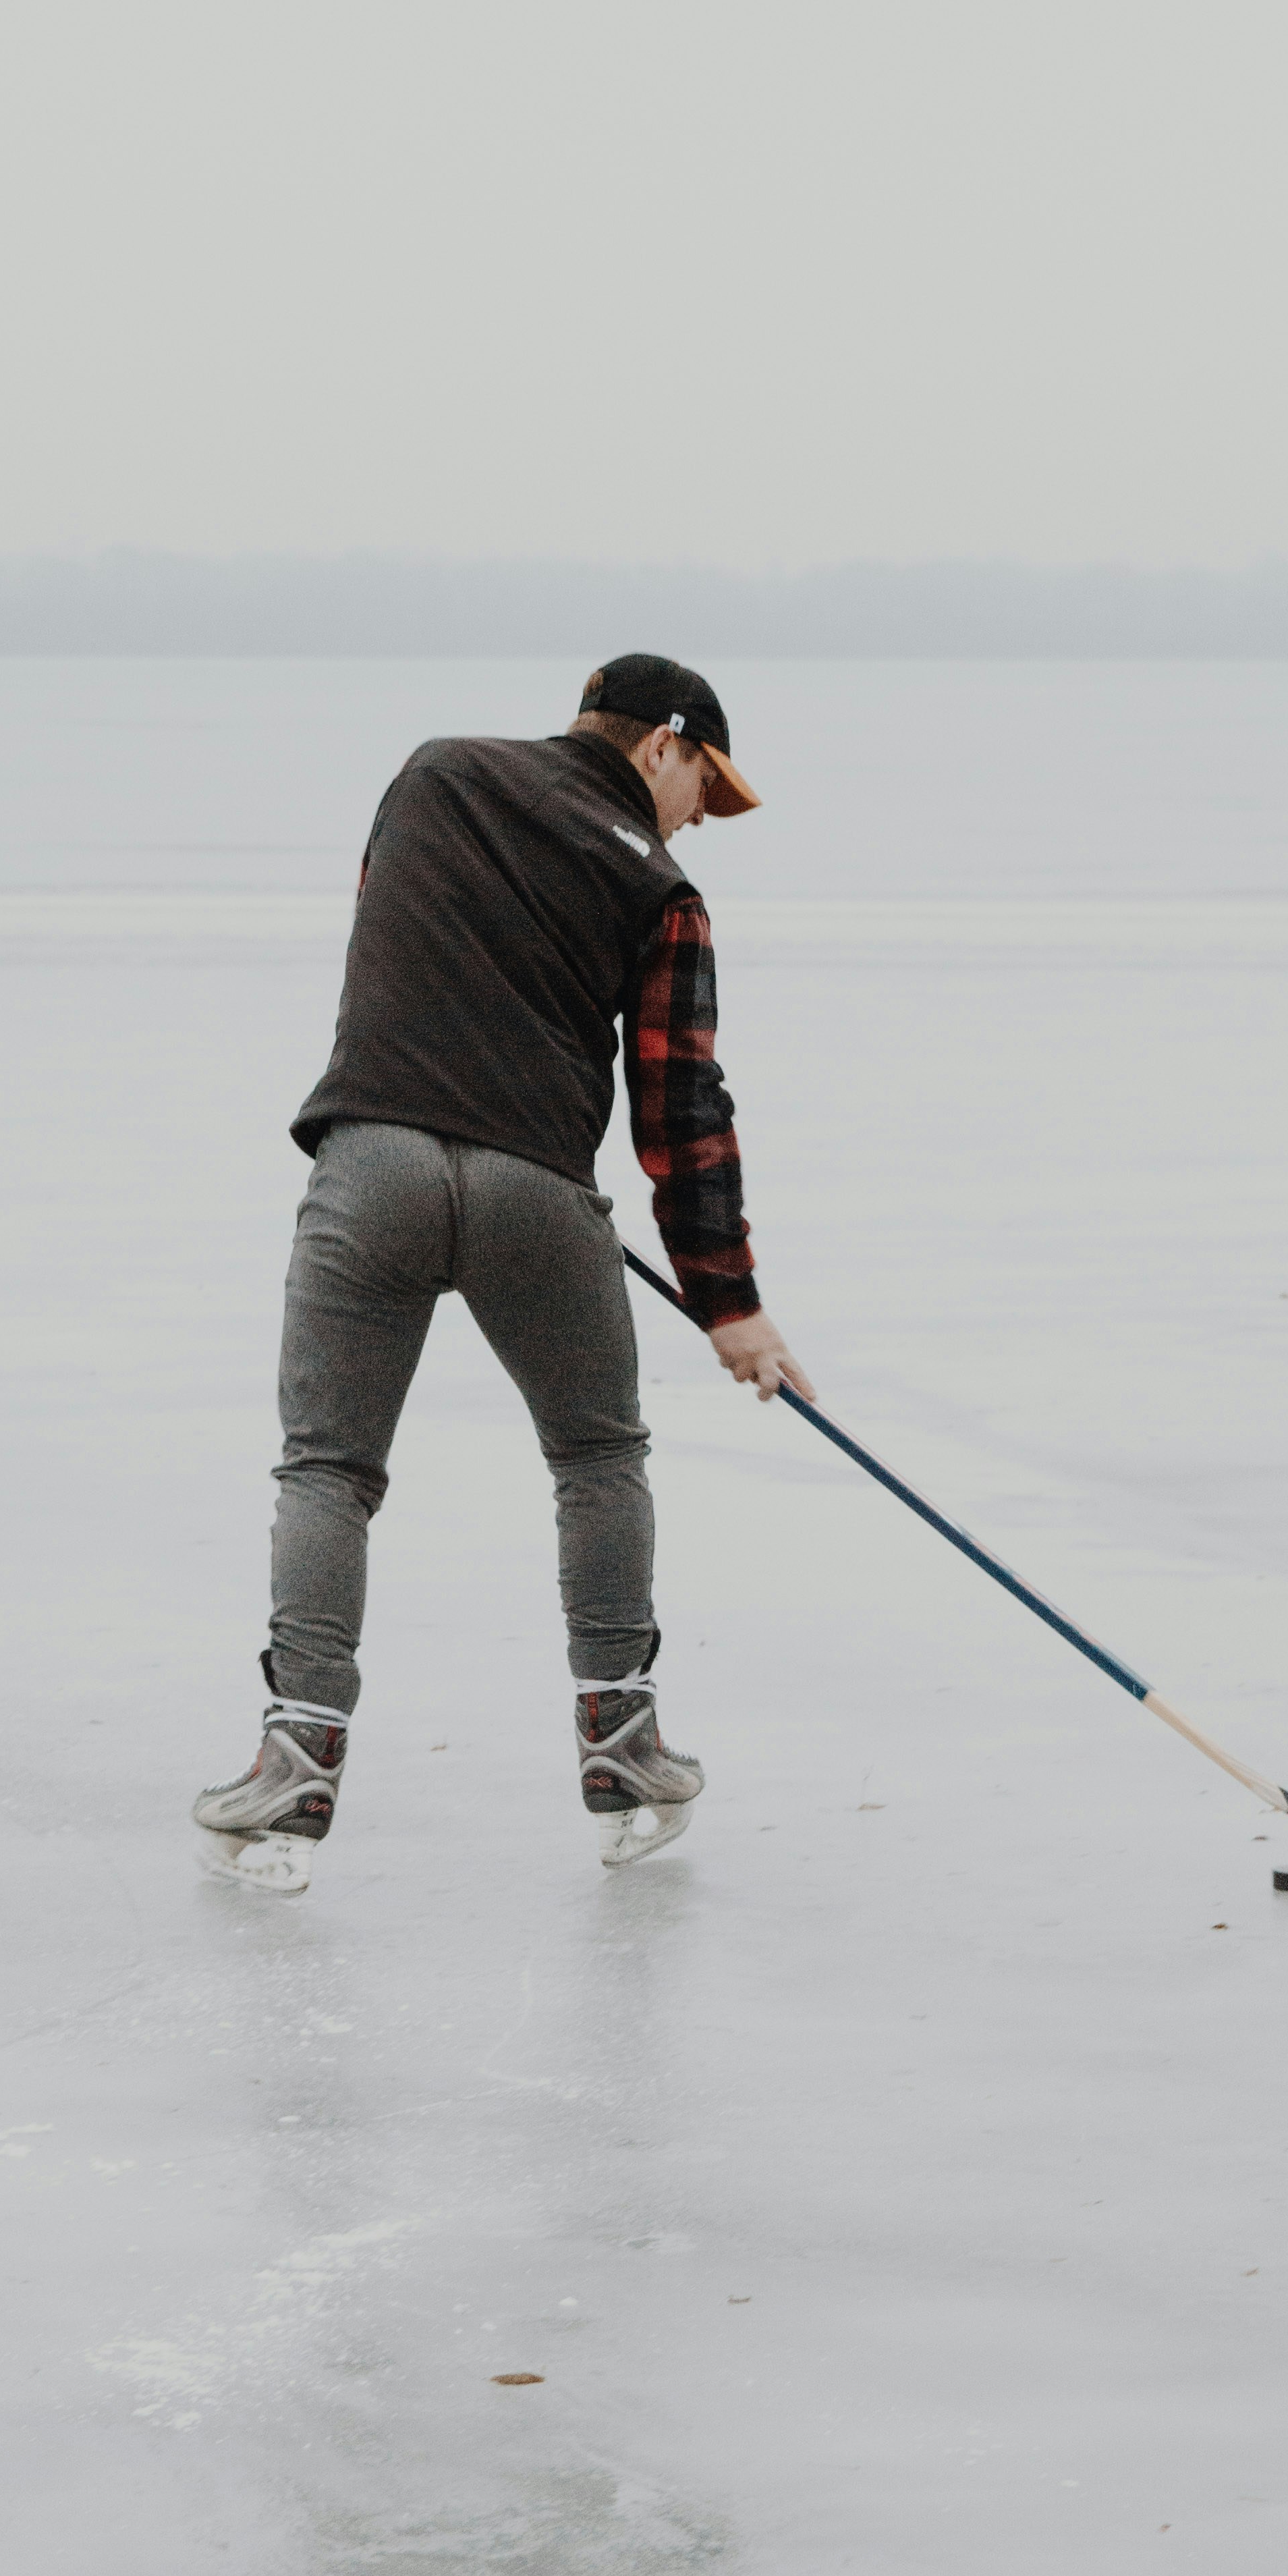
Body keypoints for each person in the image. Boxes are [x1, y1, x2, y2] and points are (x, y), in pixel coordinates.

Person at [192, 653, 816, 1889]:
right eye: (706, 786)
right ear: (661, 746)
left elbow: (392, 941)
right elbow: (682, 1105)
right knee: (597, 1458)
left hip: (370, 1161)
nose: (703, 817)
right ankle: (623, 1745)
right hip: (537, 1192)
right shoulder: (667, 893)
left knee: (328, 1468)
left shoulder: (434, 778)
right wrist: (728, 1302)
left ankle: (297, 1757)